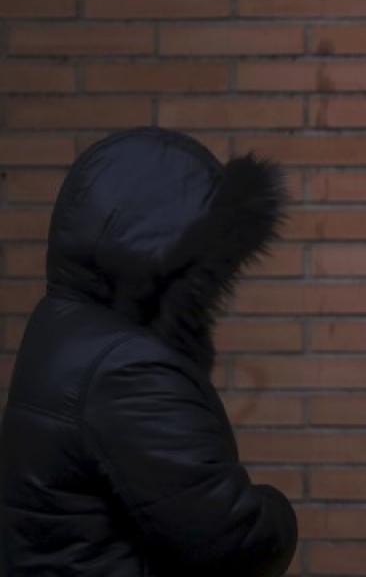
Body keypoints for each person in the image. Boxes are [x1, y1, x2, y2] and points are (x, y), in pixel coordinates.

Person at [0, 128, 297, 575]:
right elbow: (233, 541)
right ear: (167, 257)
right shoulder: (128, 370)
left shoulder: (65, 325)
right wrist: (278, 509)